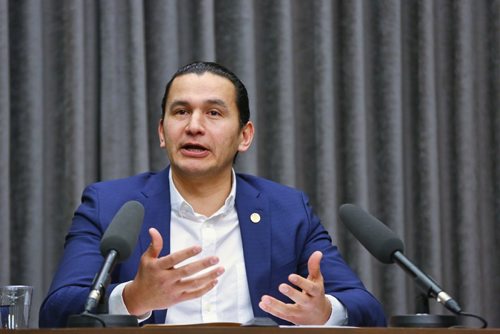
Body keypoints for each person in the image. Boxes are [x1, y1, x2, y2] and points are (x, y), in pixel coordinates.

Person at [39, 61, 386, 327]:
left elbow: (366, 308)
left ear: (244, 136)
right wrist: (132, 298)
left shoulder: (288, 210)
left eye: (214, 113)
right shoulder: (109, 204)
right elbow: (56, 310)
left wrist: (324, 312)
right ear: (163, 132)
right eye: (181, 111)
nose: (193, 126)